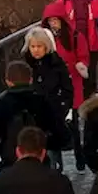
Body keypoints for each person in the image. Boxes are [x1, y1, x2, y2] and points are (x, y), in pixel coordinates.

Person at [0, 61, 65, 169]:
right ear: (31, 79)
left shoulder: (1, 104)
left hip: (10, 164)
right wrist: (44, 145)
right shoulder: (41, 101)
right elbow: (61, 135)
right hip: (40, 162)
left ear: (7, 81)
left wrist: (5, 149)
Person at [42, 2, 91, 171]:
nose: (53, 24)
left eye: (56, 20)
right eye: (50, 21)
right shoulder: (45, 40)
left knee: (74, 124)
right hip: (53, 88)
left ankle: (79, 154)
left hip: (72, 84)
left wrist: (81, 65)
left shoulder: (74, 36)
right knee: (54, 125)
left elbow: (83, 56)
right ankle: (57, 163)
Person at [50, 0, 98, 102]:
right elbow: (56, 15)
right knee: (72, 76)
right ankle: (75, 105)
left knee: (89, 76)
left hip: (91, 42)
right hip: (71, 43)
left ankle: (89, 104)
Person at [22, 26, 74, 170]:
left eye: (39, 46)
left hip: (52, 116)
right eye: (33, 46)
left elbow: (67, 89)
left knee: (52, 157)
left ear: (46, 46)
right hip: (30, 117)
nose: (36, 50)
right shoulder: (26, 65)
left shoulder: (56, 64)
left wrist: (61, 109)